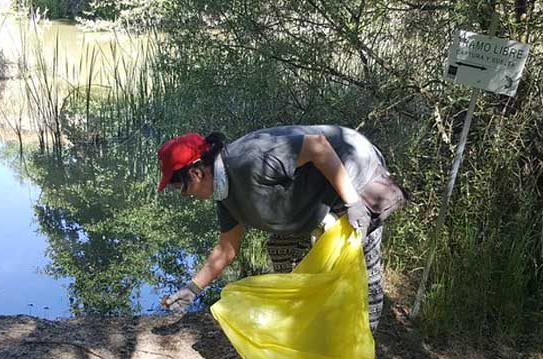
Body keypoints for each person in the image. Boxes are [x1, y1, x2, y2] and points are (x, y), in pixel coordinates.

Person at [157, 125, 408, 333]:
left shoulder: (249, 160)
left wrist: (353, 202)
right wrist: (192, 289)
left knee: (363, 268)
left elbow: (318, 146)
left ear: (196, 173)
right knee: (281, 248)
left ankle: (363, 344)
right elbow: (227, 249)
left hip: (352, 171)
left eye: (182, 189)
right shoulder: (225, 195)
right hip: (315, 197)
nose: (185, 196)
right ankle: (306, 321)